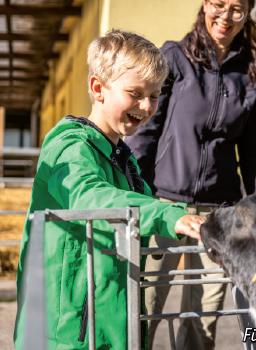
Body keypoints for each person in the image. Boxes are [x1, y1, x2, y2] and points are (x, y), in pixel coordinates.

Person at [13, 30, 203, 349]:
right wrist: (170, 215)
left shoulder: (124, 161)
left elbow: (138, 220)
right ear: (98, 88)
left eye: (155, 95)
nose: (145, 106)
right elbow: (90, 196)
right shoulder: (69, 147)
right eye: (135, 93)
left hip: (110, 323)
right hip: (66, 332)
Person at [125, 0, 256, 348]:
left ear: (247, 15)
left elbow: (253, 154)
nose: (226, 16)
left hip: (218, 212)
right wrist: (138, 197)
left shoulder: (250, 78)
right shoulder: (174, 58)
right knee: (145, 306)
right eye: (219, 5)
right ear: (205, 4)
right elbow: (146, 131)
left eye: (237, 9)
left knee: (203, 317)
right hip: (163, 203)